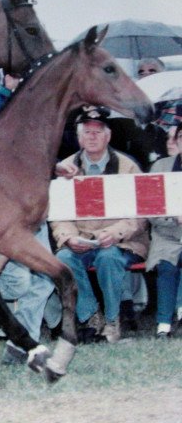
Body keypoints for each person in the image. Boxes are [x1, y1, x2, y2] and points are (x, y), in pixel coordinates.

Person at [50, 107, 149, 343]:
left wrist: (114, 234)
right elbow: (58, 213)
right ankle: (91, 316)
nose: (92, 136)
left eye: (98, 131)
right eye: (87, 132)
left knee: (108, 258)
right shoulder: (65, 168)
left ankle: (113, 320)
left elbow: (141, 211)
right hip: (81, 239)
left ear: (108, 136)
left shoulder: (128, 167)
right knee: (62, 260)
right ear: (78, 137)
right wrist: (69, 237)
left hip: (122, 242)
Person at [146, 121, 182, 337]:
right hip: (166, 235)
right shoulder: (160, 167)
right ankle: (163, 324)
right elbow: (151, 210)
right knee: (167, 264)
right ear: (177, 142)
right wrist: (174, 218)